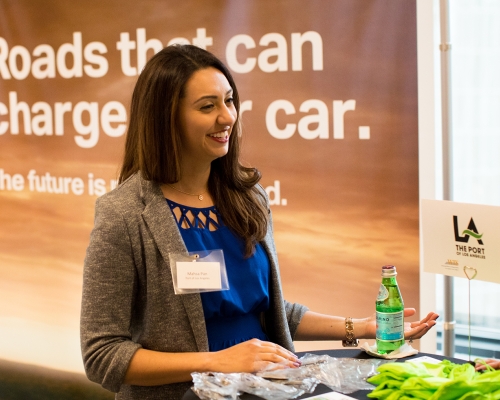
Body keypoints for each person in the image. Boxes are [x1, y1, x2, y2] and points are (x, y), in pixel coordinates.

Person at [80, 44, 438, 399]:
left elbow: (267, 309)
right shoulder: (123, 214)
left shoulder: (249, 197)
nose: (227, 117)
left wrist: (360, 328)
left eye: (230, 100)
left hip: (271, 390)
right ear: (165, 118)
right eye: (208, 106)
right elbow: (102, 355)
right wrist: (218, 362)